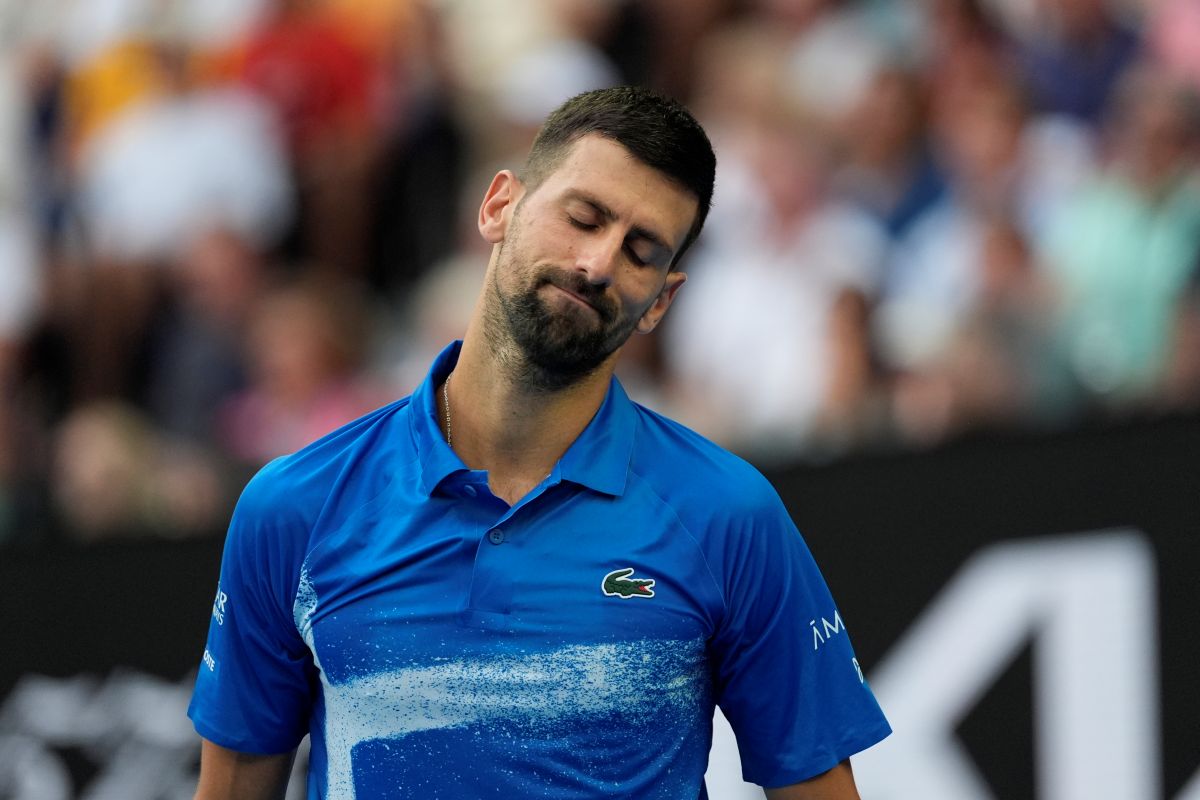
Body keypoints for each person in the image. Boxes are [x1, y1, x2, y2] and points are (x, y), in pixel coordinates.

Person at [188, 86, 890, 799]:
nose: (599, 263)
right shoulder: (292, 506)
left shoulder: (729, 515)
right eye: (583, 217)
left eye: (641, 252)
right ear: (499, 206)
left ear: (663, 301)